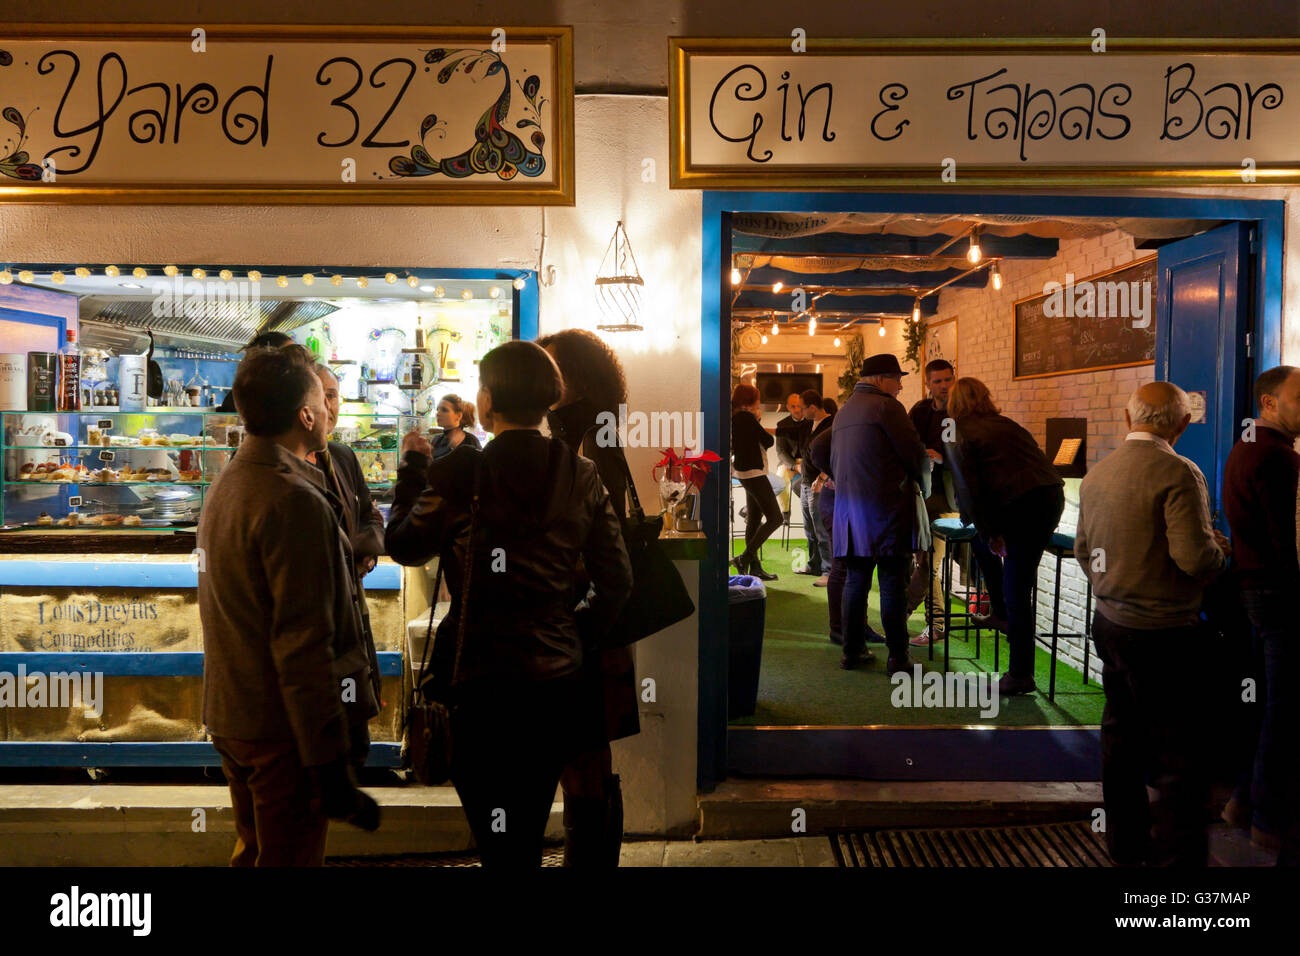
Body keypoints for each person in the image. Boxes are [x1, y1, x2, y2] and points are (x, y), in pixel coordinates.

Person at [385, 341, 632, 867]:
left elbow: (404, 544)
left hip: (478, 681)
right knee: (530, 816)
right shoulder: (580, 474)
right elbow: (617, 580)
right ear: (548, 399)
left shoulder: (459, 473)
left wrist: (412, 468)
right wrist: (572, 635)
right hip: (554, 684)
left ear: (488, 399)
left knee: (501, 840)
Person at [199, 344, 380, 866]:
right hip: (283, 731)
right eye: (322, 401)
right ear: (305, 415)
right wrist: (329, 766)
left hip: (235, 715)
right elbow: (303, 644)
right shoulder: (292, 499)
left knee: (255, 854)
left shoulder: (230, 482)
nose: (329, 409)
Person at [1075, 381, 1228, 866]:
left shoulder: (1099, 473)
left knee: (1120, 739)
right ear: (1182, 426)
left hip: (1111, 622)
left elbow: (1084, 551)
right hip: (1165, 631)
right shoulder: (1179, 471)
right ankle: (1179, 859)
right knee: (1179, 752)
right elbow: (1193, 560)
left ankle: (1125, 845)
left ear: (1127, 418)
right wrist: (1220, 553)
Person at [539, 328, 639, 868]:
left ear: (574, 377)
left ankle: (588, 861)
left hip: (584, 617)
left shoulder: (589, 434)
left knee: (583, 756)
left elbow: (605, 536)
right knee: (585, 753)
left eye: (552, 369)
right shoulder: (579, 427)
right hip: (587, 619)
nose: (545, 379)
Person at [943, 377, 1064, 696]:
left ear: (953, 403)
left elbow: (968, 488)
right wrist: (987, 534)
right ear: (985, 396)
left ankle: (1020, 673)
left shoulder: (952, 428)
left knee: (1016, 587)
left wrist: (991, 531)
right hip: (1050, 498)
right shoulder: (1007, 424)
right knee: (988, 555)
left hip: (1019, 506)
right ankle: (1000, 612)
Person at [1223, 365, 1300, 862]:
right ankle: (1269, 821)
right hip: (1279, 595)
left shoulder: (1245, 447)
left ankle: (1242, 802)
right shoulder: (1278, 457)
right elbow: (1286, 543)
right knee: (1284, 710)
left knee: (1266, 701)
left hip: (1251, 590)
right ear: (1269, 402)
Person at [830, 353, 929, 674]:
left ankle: (852, 651)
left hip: (849, 511)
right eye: (897, 379)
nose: (900, 386)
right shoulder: (888, 407)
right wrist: (923, 486)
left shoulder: (844, 411)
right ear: (881, 379)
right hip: (885, 510)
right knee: (891, 584)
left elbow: (819, 452)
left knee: (856, 581)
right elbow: (914, 454)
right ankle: (898, 658)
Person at [310, 362, 386, 773]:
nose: (329, 405)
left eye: (334, 395)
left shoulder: (342, 455)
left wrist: (365, 552)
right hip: (320, 623)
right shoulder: (287, 466)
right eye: (320, 395)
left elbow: (372, 515)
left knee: (355, 724)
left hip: (353, 609)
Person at [907, 360, 956, 646]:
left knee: (929, 564)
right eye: (937, 381)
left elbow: (970, 458)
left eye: (948, 379)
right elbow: (906, 444)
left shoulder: (960, 414)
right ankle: (926, 621)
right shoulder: (920, 411)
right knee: (921, 560)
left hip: (950, 500)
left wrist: (941, 458)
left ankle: (933, 624)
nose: (944, 386)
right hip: (920, 496)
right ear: (928, 384)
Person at [731, 383, 783, 581]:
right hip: (754, 473)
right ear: (750, 400)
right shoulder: (746, 417)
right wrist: (758, 419)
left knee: (753, 520)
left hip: (745, 473)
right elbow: (768, 441)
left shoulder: (735, 417)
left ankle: (755, 568)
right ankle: (744, 558)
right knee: (775, 518)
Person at [797, 389, 834, 583]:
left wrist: (821, 478)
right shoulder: (809, 425)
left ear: (813, 407)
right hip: (805, 481)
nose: (800, 412)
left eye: (802, 408)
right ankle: (814, 564)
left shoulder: (832, 424)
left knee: (821, 528)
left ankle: (828, 571)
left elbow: (834, 456)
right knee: (809, 527)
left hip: (820, 483)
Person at [216, 330, 292, 412]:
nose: (296, 359)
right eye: (291, 354)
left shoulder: (287, 395)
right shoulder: (243, 396)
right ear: (270, 358)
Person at [774, 392, 808, 513]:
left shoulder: (811, 422)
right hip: (789, 462)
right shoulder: (782, 424)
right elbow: (781, 451)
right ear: (788, 407)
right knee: (779, 481)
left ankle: (811, 510)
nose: (797, 409)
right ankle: (785, 512)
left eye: (799, 406)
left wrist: (803, 464)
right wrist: (793, 466)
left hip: (807, 461)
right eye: (793, 406)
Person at [431, 394, 482, 460]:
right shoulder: (437, 439)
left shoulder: (471, 441)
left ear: (458, 416)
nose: (438, 413)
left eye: (444, 410)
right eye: (438, 409)